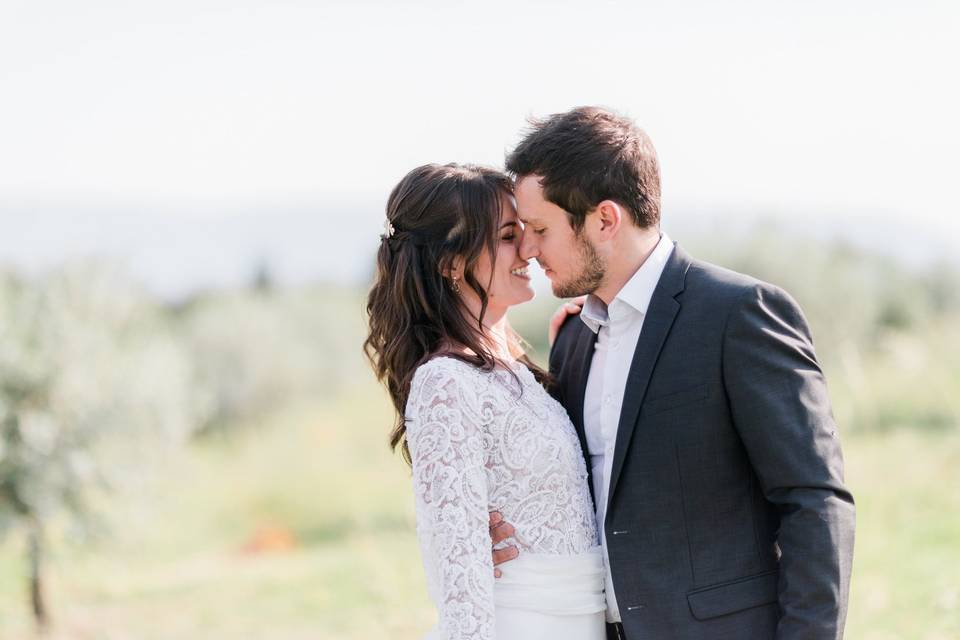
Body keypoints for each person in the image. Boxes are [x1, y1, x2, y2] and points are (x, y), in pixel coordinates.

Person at [490, 106, 856, 639]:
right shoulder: (572, 339)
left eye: (541, 228)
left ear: (605, 220)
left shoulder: (740, 314)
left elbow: (814, 500)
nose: (528, 248)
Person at [364, 163, 606, 640]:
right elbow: (459, 587)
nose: (529, 250)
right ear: (452, 263)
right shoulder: (445, 384)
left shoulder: (515, 370)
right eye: (507, 235)